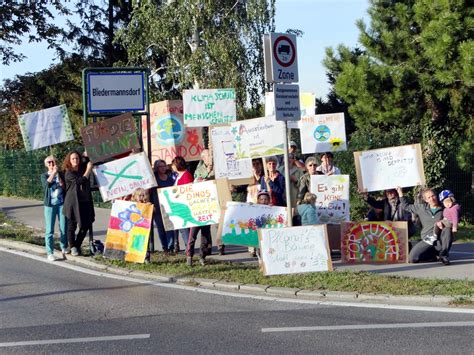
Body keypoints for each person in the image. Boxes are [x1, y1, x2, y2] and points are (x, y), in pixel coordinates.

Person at [397, 187, 453, 265]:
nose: (432, 199)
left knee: (447, 229)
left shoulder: (444, 208)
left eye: (433, 196)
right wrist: (400, 193)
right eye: (429, 197)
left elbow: (454, 217)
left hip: (439, 242)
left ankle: (444, 254)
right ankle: (432, 257)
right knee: (412, 258)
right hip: (427, 240)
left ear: (436, 196)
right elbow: (405, 206)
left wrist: (443, 222)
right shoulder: (421, 208)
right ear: (426, 200)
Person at [62, 151, 95, 256]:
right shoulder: (68, 172)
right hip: (72, 203)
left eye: (77, 158)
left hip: (84, 201)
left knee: (86, 225)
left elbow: (87, 161)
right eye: (73, 159)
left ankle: (76, 245)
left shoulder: (81, 167)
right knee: (72, 226)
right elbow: (80, 181)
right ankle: (72, 247)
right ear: (69, 161)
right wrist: (89, 169)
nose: (75, 160)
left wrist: (85, 154)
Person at [186, 150, 214, 266]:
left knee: (205, 235)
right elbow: (197, 182)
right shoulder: (199, 170)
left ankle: (202, 256)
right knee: (193, 235)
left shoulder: (216, 169)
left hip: (209, 207)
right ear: (203, 158)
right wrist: (207, 175)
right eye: (208, 155)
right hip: (198, 209)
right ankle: (189, 256)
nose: (210, 157)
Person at [41, 155, 67, 261]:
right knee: (49, 230)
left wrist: (62, 183)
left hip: (61, 204)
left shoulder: (61, 174)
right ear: (46, 165)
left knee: (63, 227)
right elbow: (47, 185)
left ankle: (64, 247)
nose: (52, 164)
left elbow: (65, 187)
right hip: (50, 206)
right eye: (49, 162)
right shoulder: (44, 175)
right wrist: (53, 173)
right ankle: (50, 252)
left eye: (53, 162)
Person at [150, 159, 175, 253]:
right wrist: (152, 205)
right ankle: (165, 247)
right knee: (161, 228)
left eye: (164, 166)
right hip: (157, 206)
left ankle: (170, 247)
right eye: (161, 166)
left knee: (169, 227)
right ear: (157, 168)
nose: (163, 168)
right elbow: (150, 192)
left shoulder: (169, 178)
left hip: (168, 207)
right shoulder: (154, 179)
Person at [171, 156, 193, 252]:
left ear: (177, 165)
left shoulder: (186, 175)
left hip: (184, 205)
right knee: (181, 227)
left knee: (184, 228)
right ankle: (186, 246)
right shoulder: (179, 175)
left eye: (173, 164)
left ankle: (188, 247)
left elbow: (188, 189)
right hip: (178, 205)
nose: (172, 166)